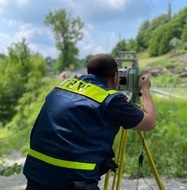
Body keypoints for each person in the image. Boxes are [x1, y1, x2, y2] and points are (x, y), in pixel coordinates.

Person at [23, 53, 156, 190]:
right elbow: (149, 122)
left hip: (36, 175)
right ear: (115, 76)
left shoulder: (62, 88)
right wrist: (145, 88)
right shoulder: (111, 99)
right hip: (72, 182)